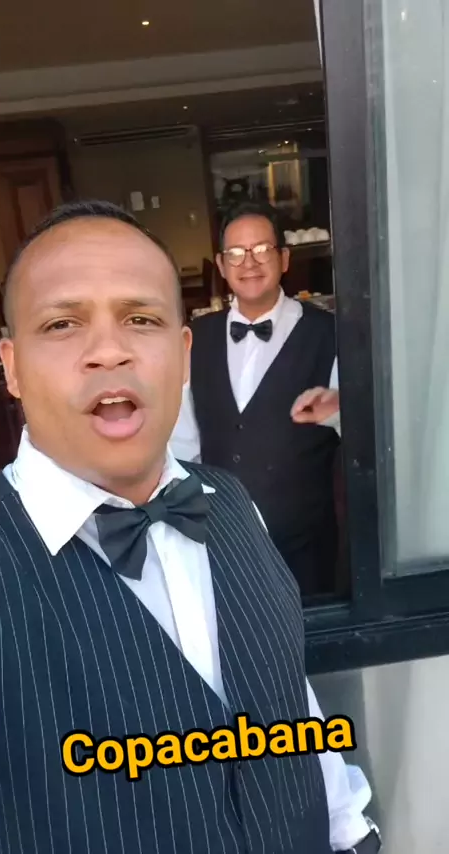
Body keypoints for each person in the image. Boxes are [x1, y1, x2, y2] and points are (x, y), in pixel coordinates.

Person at [0, 201, 380, 854]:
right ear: (12, 366)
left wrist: (351, 832)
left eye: (141, 319)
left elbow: (288, 700)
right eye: (62, 323)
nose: (109, 350)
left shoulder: (232, 505)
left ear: (183, 353)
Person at [171, 201, 341, 598]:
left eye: (262, 249)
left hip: (305, 545)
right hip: (221, 542)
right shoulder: (194, 338)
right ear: (221, 264)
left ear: (284, 259)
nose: (249, 262)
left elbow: (366, 430)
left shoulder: (328, 333)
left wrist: (339, 410)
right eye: (236, 253)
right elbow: (183, 439)